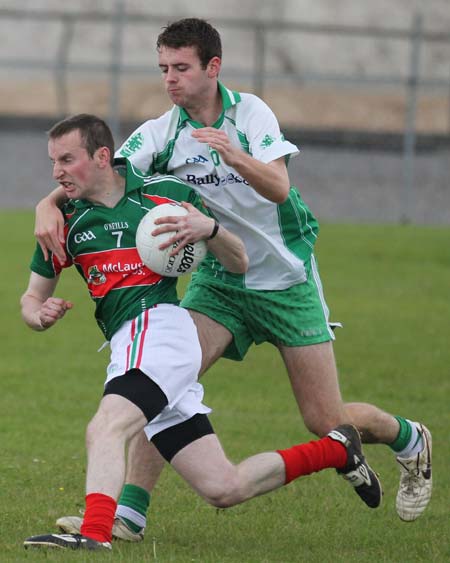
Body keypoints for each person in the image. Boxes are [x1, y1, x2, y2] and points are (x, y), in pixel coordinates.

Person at [34, 18, 431, 540]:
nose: (170, 79)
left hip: (286, 278)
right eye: (163, 69)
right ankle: (128, 513)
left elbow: (280, 190)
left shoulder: (251, 114)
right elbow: (103, 176)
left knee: (324, 419)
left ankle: (408, 438)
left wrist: (233, 154)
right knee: (163, 380)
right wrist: (48, 202)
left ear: (212, 67)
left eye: (181, 68)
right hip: (220, 277)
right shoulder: (161, 132)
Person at [21, 113, 382, 551]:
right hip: (129, 344)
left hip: (162, 333)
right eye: (52, 162)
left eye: (66, 159)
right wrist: (39, 313)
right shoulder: (63, 220)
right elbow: (31, 298)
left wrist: (209, 229)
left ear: (101, 157)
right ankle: (337, 449)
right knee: (223, 487)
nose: (56, 172)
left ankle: (94, 535)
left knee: (107, 426)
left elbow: (239, 261)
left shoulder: (166, 195)